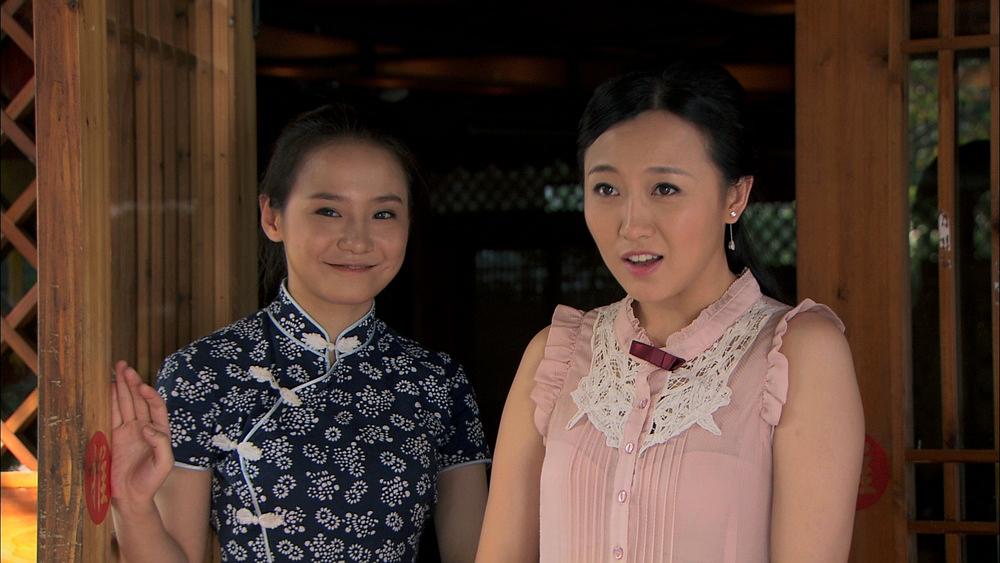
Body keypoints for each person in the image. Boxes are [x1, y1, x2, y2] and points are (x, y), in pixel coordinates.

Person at [477, 63, 864, 562]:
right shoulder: (555, 356)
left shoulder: (796, 354)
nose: (632, 224)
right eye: (606, 189)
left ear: (735, 195)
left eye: (665, 188)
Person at [110, 104, 490, 563]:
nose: (358, 240)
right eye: (329, 211)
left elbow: (476, 555)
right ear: (272, 217)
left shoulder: (437, 382)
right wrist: (132, 507)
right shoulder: (203, 372)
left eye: (384, 214)